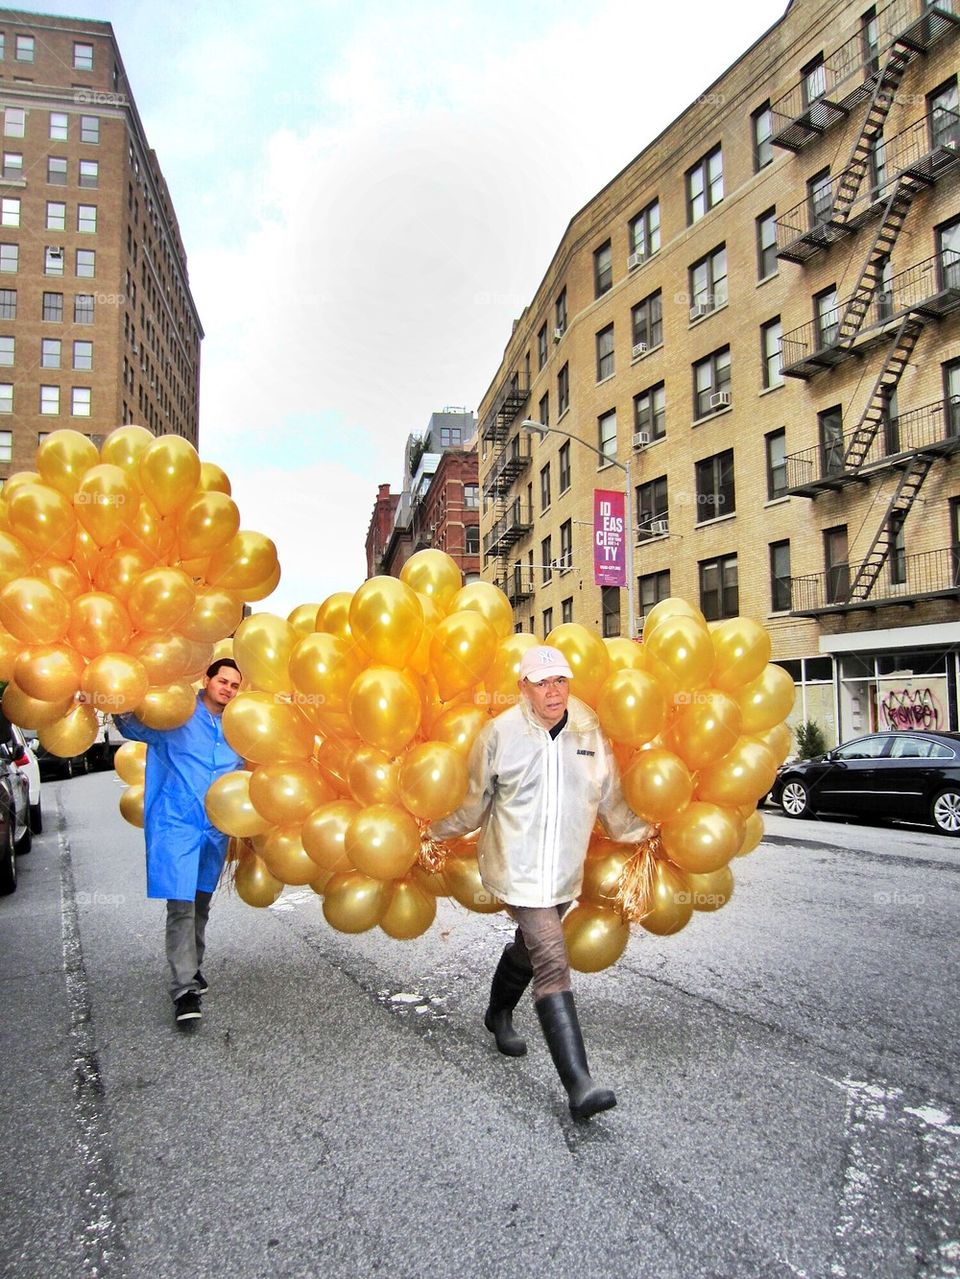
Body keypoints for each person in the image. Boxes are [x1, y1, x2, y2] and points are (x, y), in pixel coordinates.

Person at [431, 644, 651, 1121]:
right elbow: (473, 805)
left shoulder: (590, 731)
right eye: (541, 682)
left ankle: (497, 1013)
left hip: (564, 874)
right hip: (518, 869)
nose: (553, 692)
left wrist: (649, 836)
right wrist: (429, 832)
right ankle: (580, 1085)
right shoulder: (500, 734)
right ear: (522, 688)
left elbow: (611, 805)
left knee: (530, 948)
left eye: (561, 681)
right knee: (552, 958)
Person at [113, 658, 244, 1027]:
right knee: (182, 905)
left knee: (201, 903)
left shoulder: (239, 726)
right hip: (177, 825)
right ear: (207, 679)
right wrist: (117, 693)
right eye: (223, 681)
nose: (228, 690)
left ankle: (193, 967)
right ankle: (183, 988)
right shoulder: (178, 715)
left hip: (214, 830)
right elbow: (135, 726)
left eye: (235, 686)